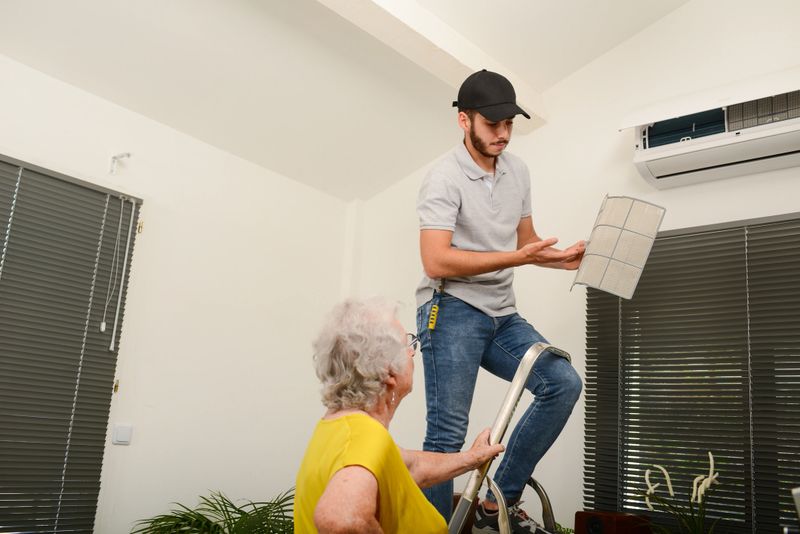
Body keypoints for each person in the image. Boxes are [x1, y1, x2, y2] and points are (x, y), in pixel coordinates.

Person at [415, 69, 586, 532]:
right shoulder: (443, 179)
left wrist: (563, 258)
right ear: (464, 120)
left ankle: (497, 505)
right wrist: (520, 257)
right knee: (447, 432)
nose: (504, 134)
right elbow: (436, 261)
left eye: (510, 123)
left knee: (563, 383)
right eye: (493, 124)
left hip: (502, 314)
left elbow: (527, 242)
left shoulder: (518, 171)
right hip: (450, 310)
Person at [295, 297, 505, 534]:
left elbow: (411, 468)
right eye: (409, 345)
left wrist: (472, 458)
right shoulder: (365, 439)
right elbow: (340, 519)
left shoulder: (339, 426)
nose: (413, 354)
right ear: (389, 373)